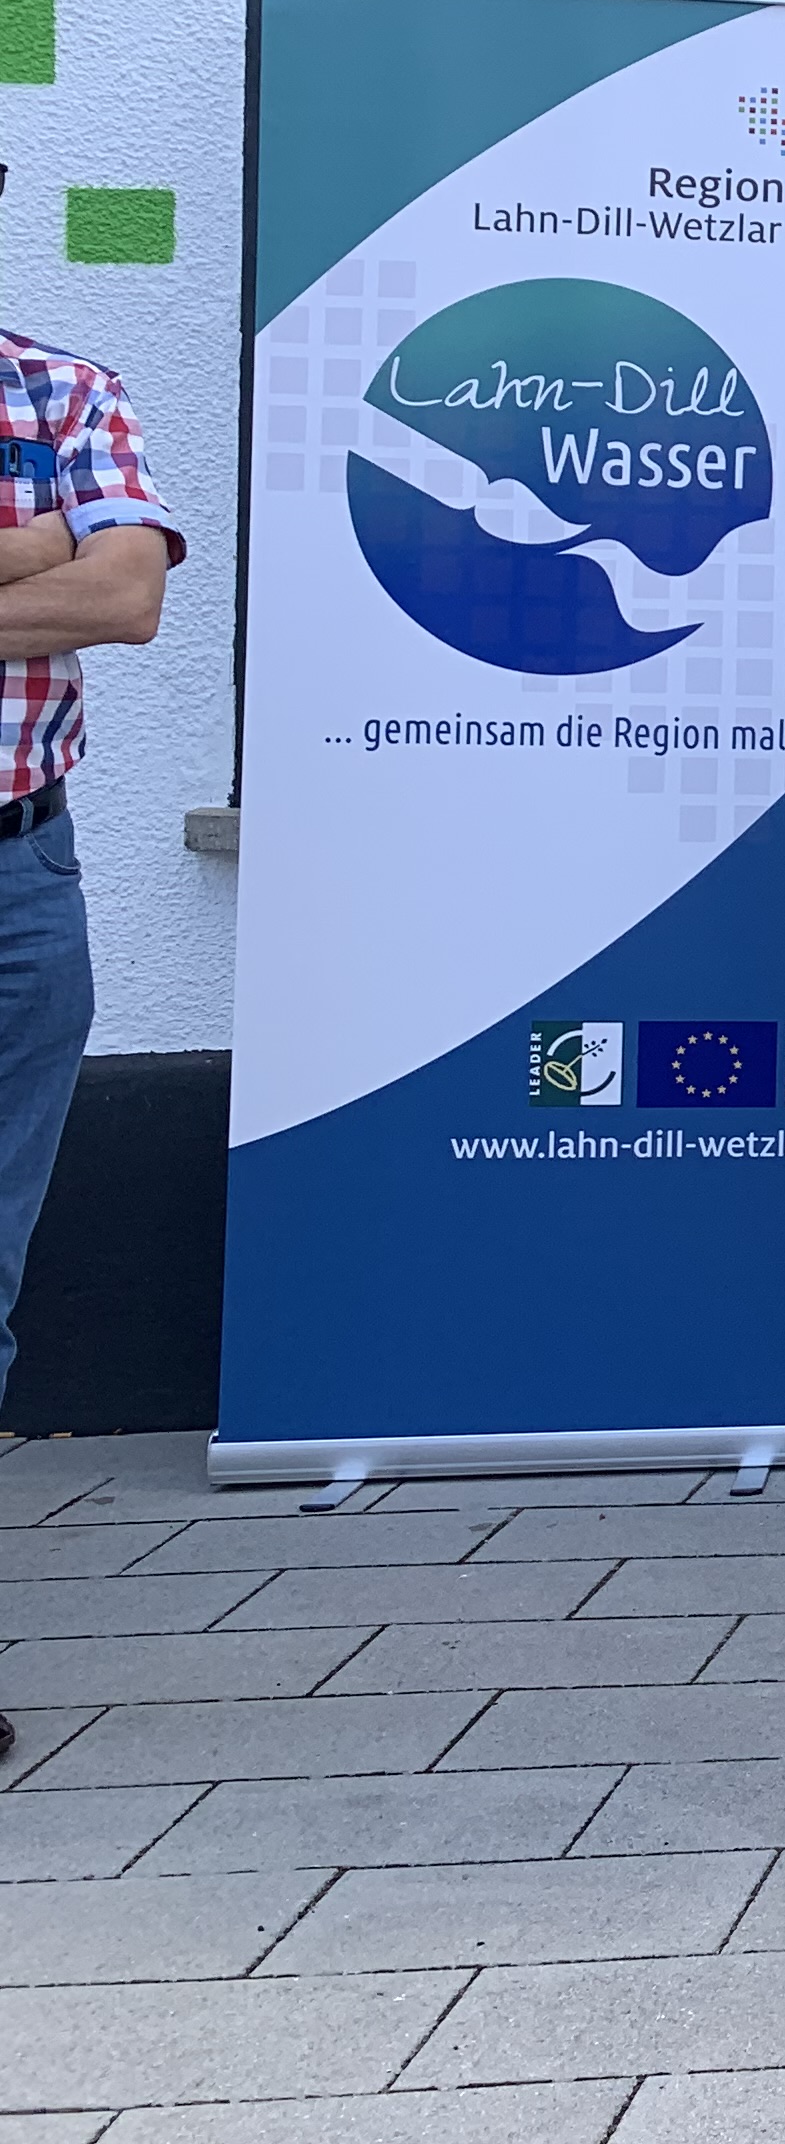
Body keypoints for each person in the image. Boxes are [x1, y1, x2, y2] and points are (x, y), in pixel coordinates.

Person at [0, 314, 182, 1773]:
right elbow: (81, 569)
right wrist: (33, 546)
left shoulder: (63, 387)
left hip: (16, 884)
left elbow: (126, 597)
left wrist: (79, 554)